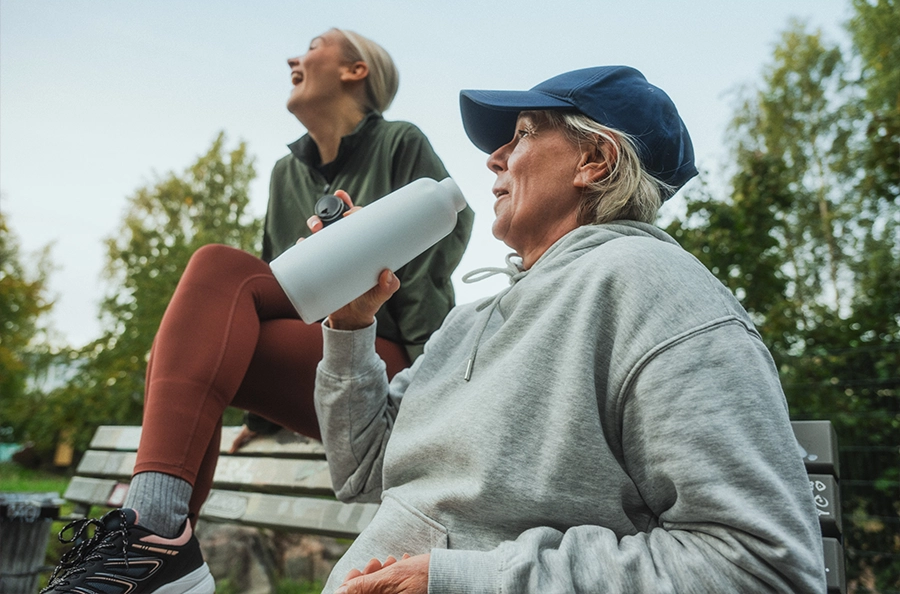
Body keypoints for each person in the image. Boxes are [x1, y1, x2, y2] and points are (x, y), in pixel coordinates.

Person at [313, 66, 827, 593]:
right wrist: (351, 323)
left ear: (595, 160)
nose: (494, 157)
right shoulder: (470, 320)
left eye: (522, 135)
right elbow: (363, 470)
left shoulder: (654, 286)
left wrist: (461, 581)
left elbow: (760, 568)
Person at [42, 29, 473, 594]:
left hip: (388, 367)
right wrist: (259, 419)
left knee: (216, 273)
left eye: (315, 45)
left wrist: (432, 379)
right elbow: (272, 297)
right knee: (213, 295)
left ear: (355, 70)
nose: (295, 57)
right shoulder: (285, 174)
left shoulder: (400, 143)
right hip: (321, 363)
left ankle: (152, 541)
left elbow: (437, 255)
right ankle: (156, 550)